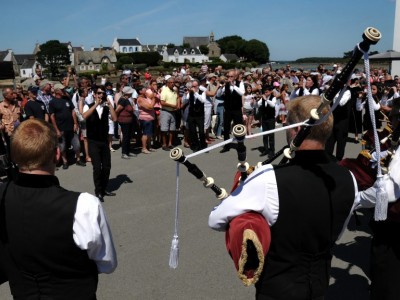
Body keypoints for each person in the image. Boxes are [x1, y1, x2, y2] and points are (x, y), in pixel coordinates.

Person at [208, 95, 398, 300]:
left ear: (297, 130)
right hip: (319, 284)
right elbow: (339, 229)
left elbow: (216, 219)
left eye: (289, 125)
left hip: (277, 287)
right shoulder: (349, 179)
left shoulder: (269, 178)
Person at [0, 119, 117, 299]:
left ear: (14, 156)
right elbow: (107, 263)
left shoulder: (3, 195)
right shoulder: (83, 205)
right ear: (56, 154)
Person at [83, 85, 117, 202]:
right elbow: (84, 116)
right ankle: (98, 191)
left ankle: (104, 188)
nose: (101, 95)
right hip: (93, 141)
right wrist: (96, 105)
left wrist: (110, 104)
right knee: (97, 168)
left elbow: (115, 118)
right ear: (94, 94)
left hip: (104, 141)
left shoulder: (107, 108)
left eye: (103, 93)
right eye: (99, 93)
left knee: (107, 167)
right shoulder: (88, 106)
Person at [49, 85, 85, 169]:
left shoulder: (67, 99)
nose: (64, 90)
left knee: (77, 145)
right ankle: (65, 161)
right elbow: (52, 116)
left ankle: (78, 159)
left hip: (71, 127)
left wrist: (75, 123)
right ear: (57, 91)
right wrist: (56, 129)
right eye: (62, 89)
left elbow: (73, 111)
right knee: (62, 147)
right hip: (61, 128)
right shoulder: (52, 102)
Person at [220, 70, 245, 153]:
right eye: (228, 76)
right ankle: (226, 146)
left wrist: (234, 86)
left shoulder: (240, 83)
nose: (229, 78)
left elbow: (241, 93)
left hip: (237, 109)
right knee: (226, 128)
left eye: (231, 76)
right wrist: (222, 86)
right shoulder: (226, 84)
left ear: (235, 77)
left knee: (238, 128)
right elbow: (220, 94)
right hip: (228, 110)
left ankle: (240, 145)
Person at [115, 86, 136, 159]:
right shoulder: (123, 100)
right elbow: (117, 110)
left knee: (128, 137)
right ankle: (124, 153)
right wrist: (115, 117)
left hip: (128, 121)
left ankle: (127, 151)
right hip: (124, 121)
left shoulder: (126, 99)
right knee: (126, 137)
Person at [160, 77, 180, 151]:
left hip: (173, 112)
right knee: (164, 129)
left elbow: (178, 97)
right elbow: (162, 102)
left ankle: (170, 143)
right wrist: (172, 105)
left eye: (173, 82)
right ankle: (164, 144)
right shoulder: (164, 91)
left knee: (172, 129)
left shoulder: (174, 91)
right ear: (167, 83)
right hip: (165, 111)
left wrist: (178, 105)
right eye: (171, 82)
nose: (172, 84)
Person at [257, 85, 276, 157]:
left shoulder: (273, 98)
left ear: (270, 92)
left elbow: (273, 105)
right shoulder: (262, 99)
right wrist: (257, 100)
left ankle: (272, 151)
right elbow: (257, 105)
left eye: (266, 92)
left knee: (271, 135)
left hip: (271, 119)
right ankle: (265, 149)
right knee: (265, 135)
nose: (265, 93)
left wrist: (266, 100)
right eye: (264, 92)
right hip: (264, 119)